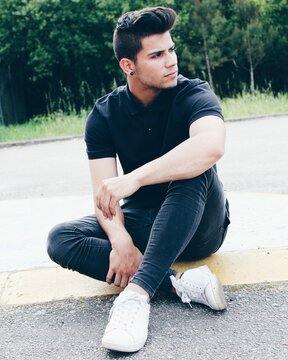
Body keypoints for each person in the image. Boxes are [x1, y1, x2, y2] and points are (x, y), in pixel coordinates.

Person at [47, 6, 230, 353]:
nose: (171, 60)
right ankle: (178, 283)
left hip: (200, 225)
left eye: (172, 49)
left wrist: (134, 179)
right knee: (61, 238)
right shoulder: (104, 115)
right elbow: (104, 195)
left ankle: (136, 296)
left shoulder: (193, 93)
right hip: (145, 223)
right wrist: (120, 241)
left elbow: (211, 145)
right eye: (157, 54)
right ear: (128, 65)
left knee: (195, 165)